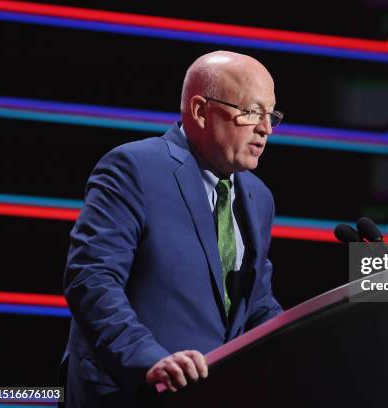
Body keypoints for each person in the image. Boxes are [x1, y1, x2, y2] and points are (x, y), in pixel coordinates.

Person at [60, 50, 283, 407]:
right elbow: (92, 278)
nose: (266, 128)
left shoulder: (259, 197)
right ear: (199, 110)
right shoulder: (134, 168)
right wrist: (148, 359)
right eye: (252, 111)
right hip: (130, 394)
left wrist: (305, 340)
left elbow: (255, 304)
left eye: (271, 114)